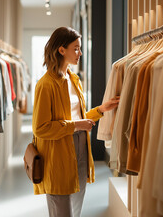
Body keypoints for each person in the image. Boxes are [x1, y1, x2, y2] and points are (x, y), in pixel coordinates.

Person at [32, 27, 120, 217]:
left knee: (76, 207)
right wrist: (77, 126)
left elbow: (75, 116)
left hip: (80, 149)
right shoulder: (45, 85)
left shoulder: (73, 79)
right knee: (62, 210)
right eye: (76, 48)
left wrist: (100, 110)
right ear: (61, 50)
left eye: (80, 48)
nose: (80, 53)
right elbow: (41, 128)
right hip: (58, 154)